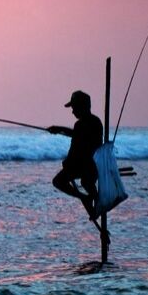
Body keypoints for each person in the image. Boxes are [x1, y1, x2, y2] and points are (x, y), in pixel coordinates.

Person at [47, 90, 102, 222]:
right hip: (95, 165)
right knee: (87, 182)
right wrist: (58, 129)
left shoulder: (81, 124)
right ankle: (95, 202)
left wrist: (67, 162)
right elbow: (76, 134)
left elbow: (76, 148)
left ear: (82, 106)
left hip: (85, 165)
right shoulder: (95, 121)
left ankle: (84, 197)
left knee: (58, 181)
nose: (72, 111)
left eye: (74, 108)